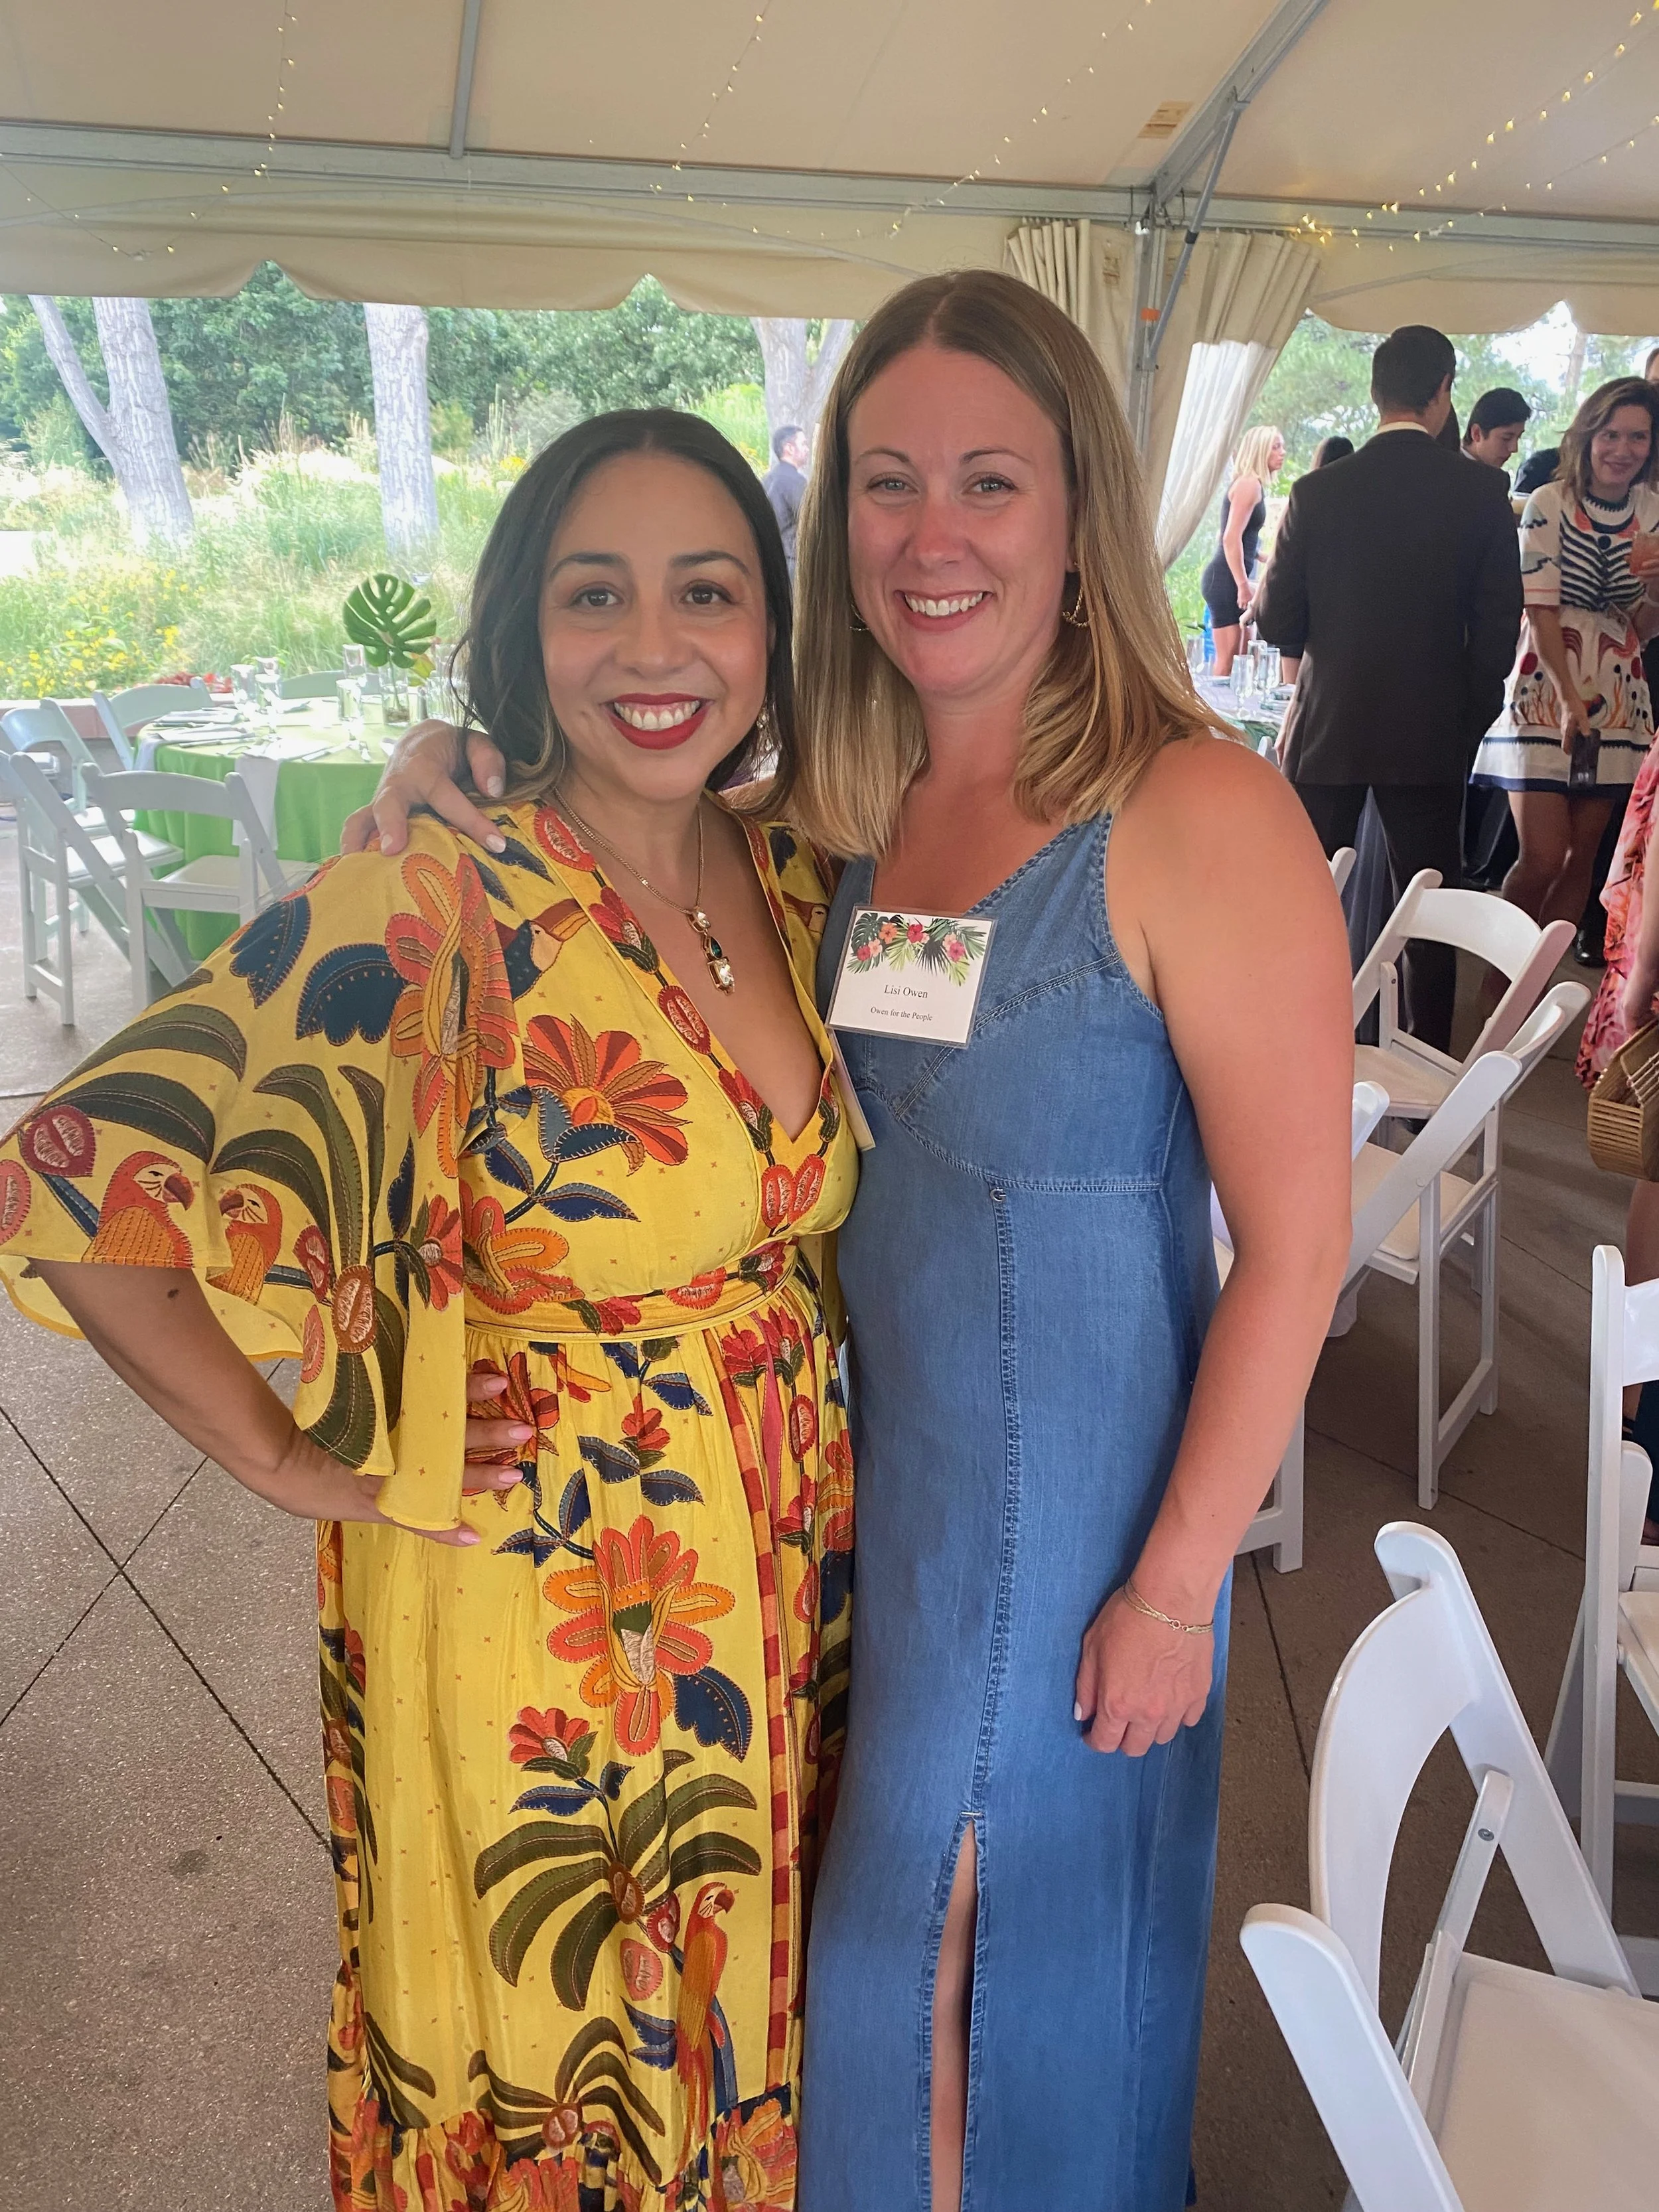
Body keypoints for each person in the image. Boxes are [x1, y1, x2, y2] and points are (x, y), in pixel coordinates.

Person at [348, 267, 1354, 2212]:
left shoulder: (1187, 809)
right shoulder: (843, 811)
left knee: (983, 1971)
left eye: (987, 479)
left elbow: (1297, 1250)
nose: (929, 532)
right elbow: (636, 833)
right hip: (844, 1528)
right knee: (874, 1985)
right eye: (884, 483)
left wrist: (1168, 1584)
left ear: (1079, 508)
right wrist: (441, 765)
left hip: (1070, 1539)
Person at [0, 410, 862, 2207]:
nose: (651, 645)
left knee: (724, 2025)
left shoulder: (780, 864)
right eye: (591, 592)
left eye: (707, 592)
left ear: (768, 632)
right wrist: (292, 1456)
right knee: (570, 2047)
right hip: (549, 1606)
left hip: (774, 1578)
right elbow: (75, 1182)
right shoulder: (432, 892)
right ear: (517, 631)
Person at [1254, 323, 1523, 1051]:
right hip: (1431, 728)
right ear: (1443, 392)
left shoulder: (1317, 492)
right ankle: (1424, 1064)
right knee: (1430, 909)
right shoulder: (1480, 492)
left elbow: (1277, 617)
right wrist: (1468, 714)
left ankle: (1288, 1047)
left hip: (1331, 723)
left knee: (1305, 900)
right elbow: (1500, 625)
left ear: (1376, 394)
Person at [1469, 378, 1659, 945]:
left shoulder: (1652, 510)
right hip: (1545, 686)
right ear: (1587, 434)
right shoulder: (1549, 502)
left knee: (1582, 861)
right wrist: (1571, 702)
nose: (1623, 449)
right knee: (1544, 857)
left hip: (1619, 688)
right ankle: (1499, 987)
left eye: (1638, 437)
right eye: (1611, 434)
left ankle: (1534, 996)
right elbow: (1541, 608)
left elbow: (1641, 627)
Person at [1198, 422, 1285, 676]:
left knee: (1239, 661)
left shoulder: (1253, 484)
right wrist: (1243, 584)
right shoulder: (1249, 484)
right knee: (1227, 663)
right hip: (1226, 579)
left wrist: (1261, 556)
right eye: (1276, 447)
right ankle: (1208, 715)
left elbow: (1239, 535)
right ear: (1260, 450)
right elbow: (1229, 537)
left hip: (1231, 578)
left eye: (1283, 447)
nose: (1282, 453)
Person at [764, 422, 811, 575]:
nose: (807, 449)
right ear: (789, 448)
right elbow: (810, 520)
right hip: (793, 562)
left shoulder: (767, 480)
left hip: (769, 559)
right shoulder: (794, 481)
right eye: (803, 444)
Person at [1463, 386, 1532, 477]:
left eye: (1518, 438)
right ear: (1477, 434)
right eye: (1506, 438)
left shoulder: (1498, 478)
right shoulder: (1446, 470)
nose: (1514, 449)